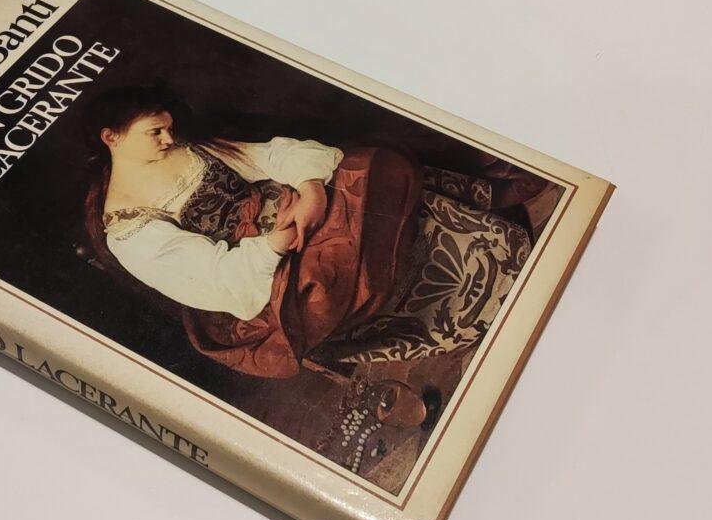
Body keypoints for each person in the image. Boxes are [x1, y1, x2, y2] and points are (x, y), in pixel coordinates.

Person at [80, 86, 535, 437]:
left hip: (292, 207)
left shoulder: (184, 149)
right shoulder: (128, 229)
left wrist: (311, 189)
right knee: (334, 276)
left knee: (368, 172)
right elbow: (213, 278)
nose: (168, 137)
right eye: (154, 132)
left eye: (167, 128)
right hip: (262, 271)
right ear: (111, 137)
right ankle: (484, 312)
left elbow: (267, 157)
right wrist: (275, 243)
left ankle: (500, 251)